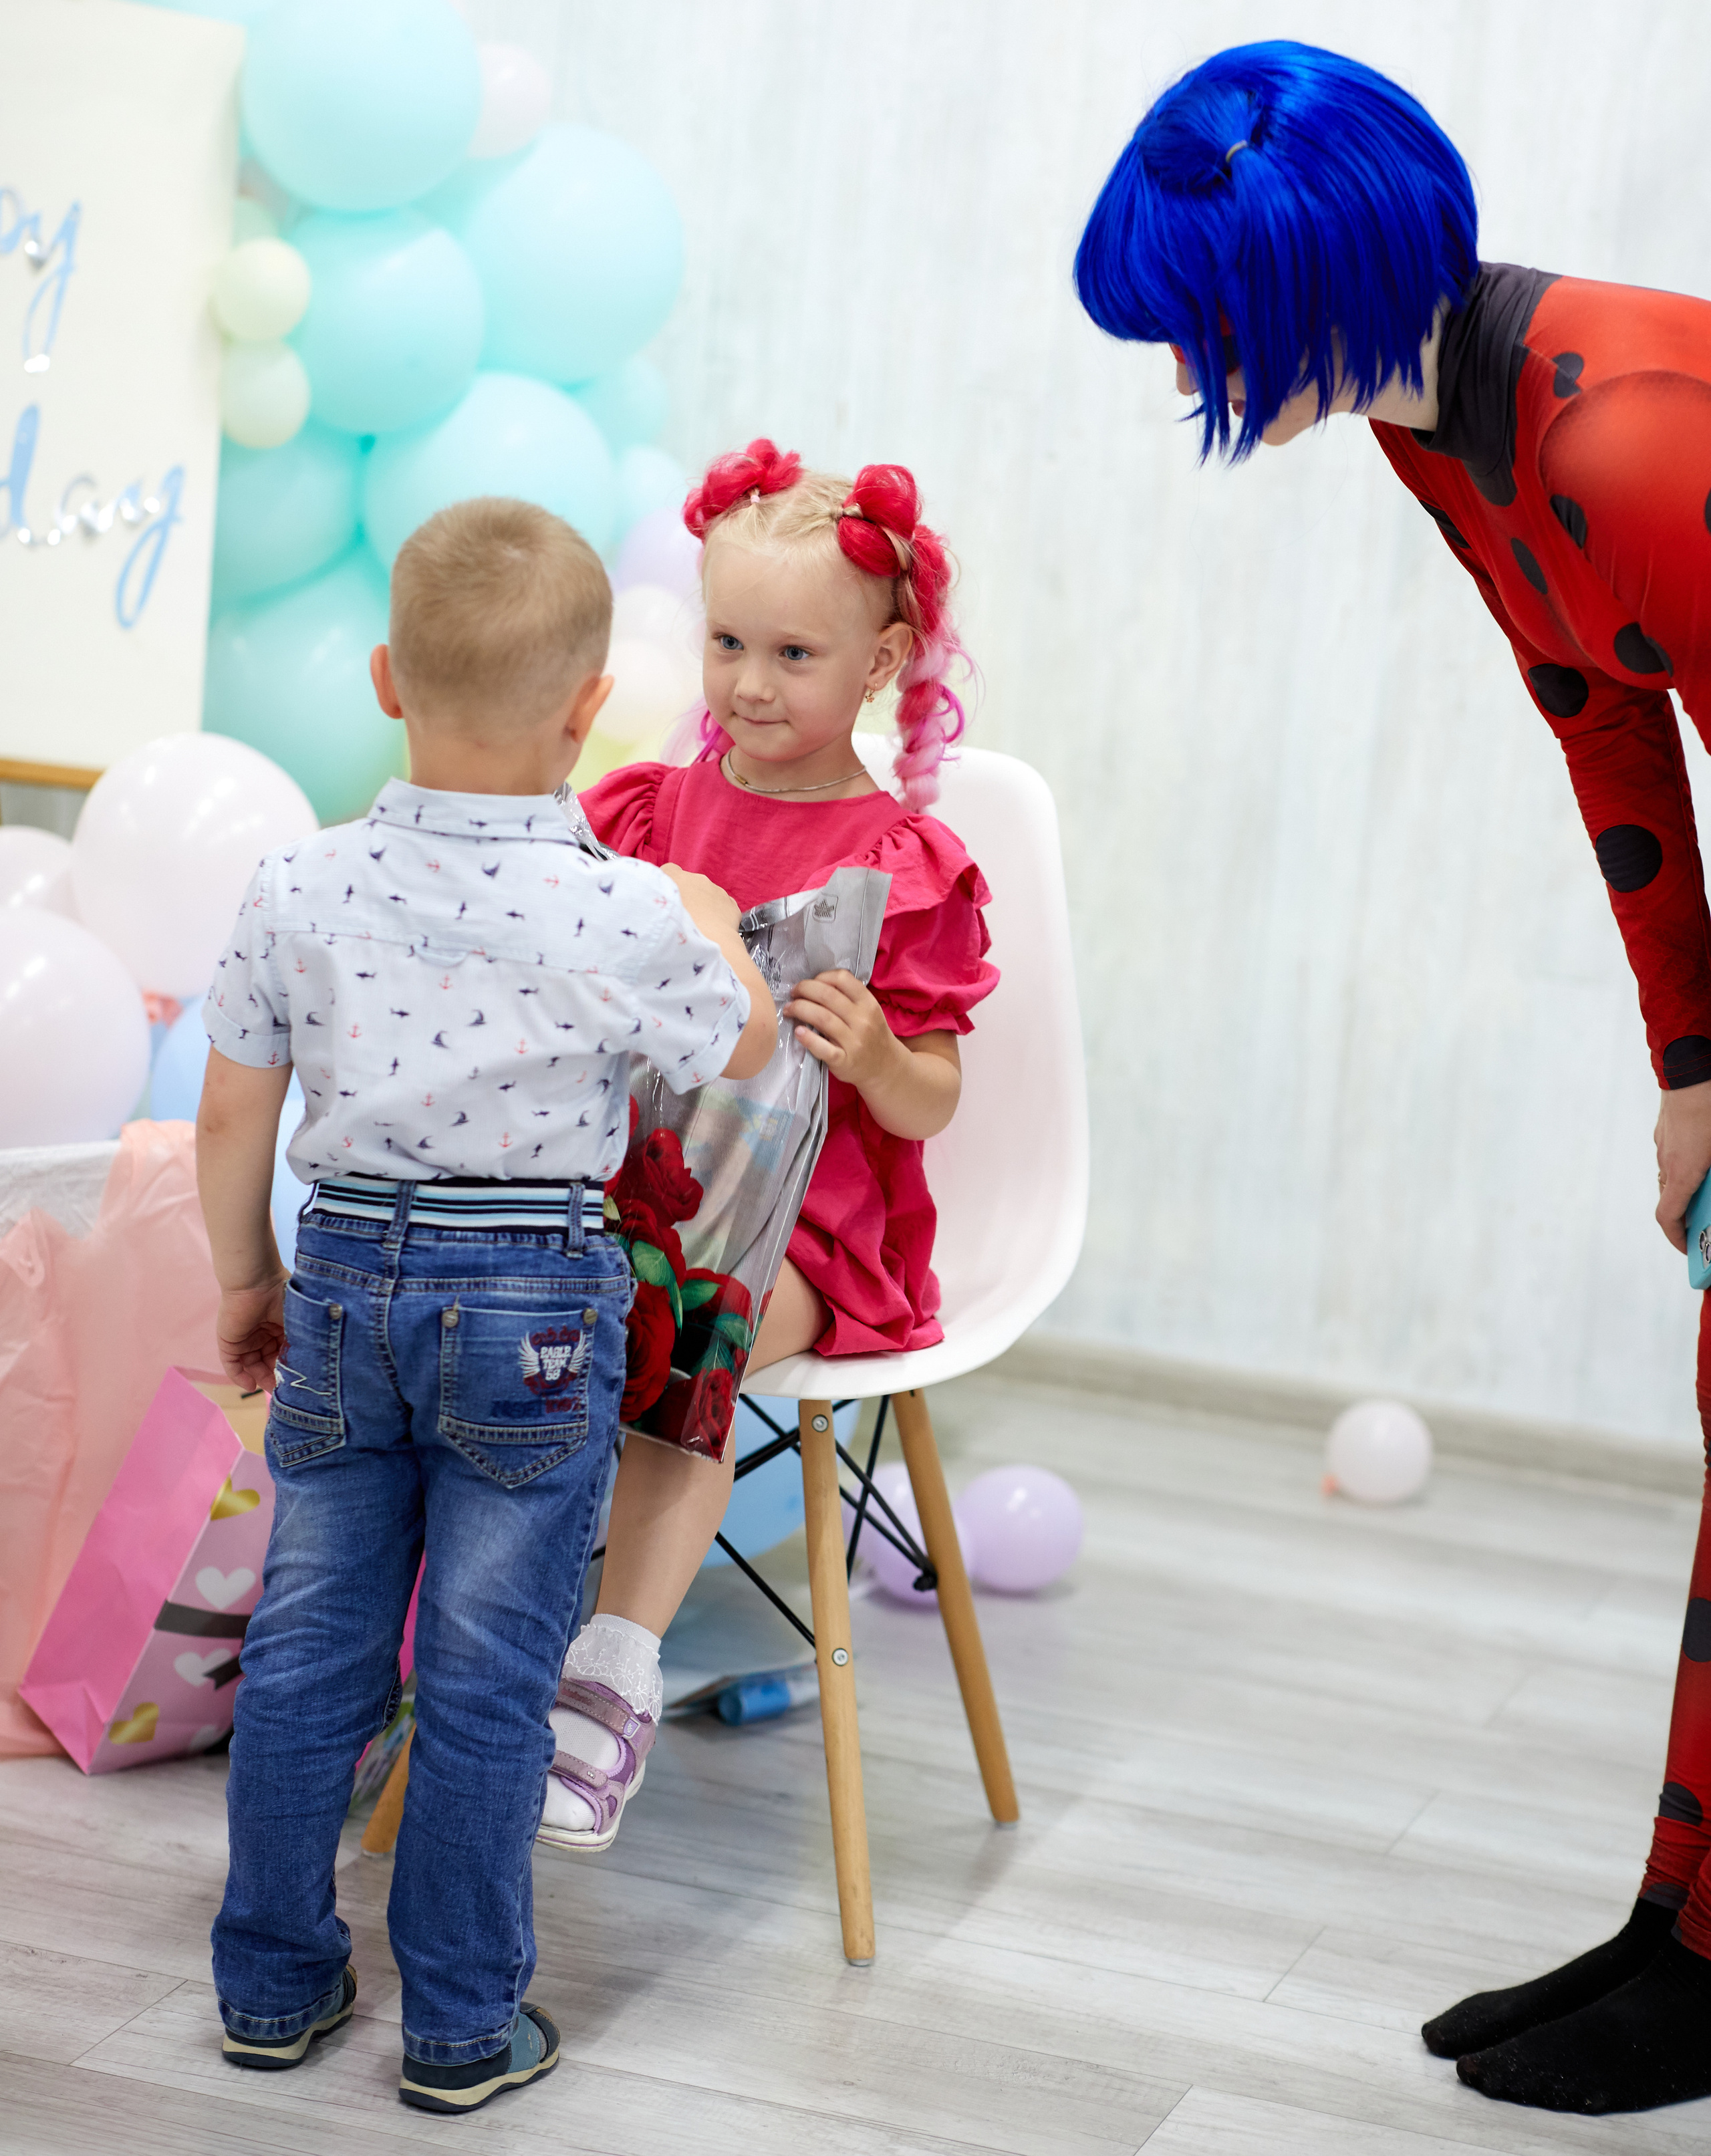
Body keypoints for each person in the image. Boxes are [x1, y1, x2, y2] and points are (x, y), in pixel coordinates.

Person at [1076, 37, 1711, 2121]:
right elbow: (1610, 742)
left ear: (1317, 295)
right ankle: (1684, 1937)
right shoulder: (1438, 428)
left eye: (1208, 338)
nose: (1194, 383)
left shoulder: (1624, 439)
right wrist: (1693, 1069)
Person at [196, 497, 775, 2114]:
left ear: (386, 676)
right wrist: (718, 932)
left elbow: (232, 1110)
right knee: (486, 1675)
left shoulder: (294, 883)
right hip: (531, 1299)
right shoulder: (621, 908)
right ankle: (456, 2026)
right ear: (593, 705)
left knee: (309, 1649)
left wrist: (251, 1275)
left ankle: (271, 1981)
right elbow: (739, 1051)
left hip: (346, 1279)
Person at [535, 441, 999, 1851]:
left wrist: (871, 1055)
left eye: (793, 651)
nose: (746, 680)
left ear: (880, 659)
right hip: (635, 1175)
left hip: (803, 1229)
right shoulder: (649, 812)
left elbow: (933, 1101)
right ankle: (477, 1641)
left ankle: (610, 1678)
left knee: (692, 1316)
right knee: (510, 1284)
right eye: (728, 639)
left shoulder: (895, 860)